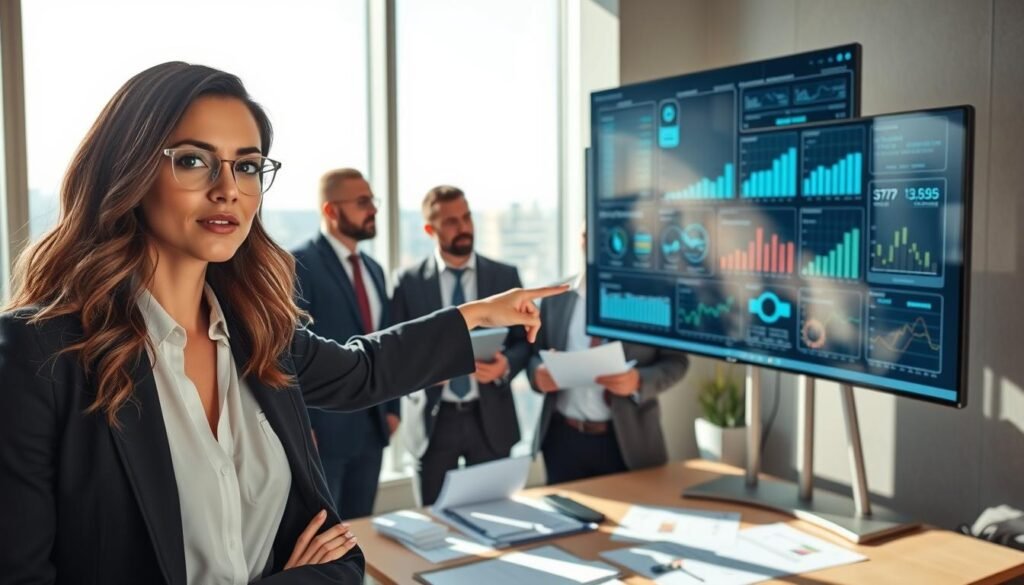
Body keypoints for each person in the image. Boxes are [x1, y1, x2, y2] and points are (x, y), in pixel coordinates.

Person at [0, 62, 563, 585]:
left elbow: (362, 371)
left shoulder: (258, 334)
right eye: (194, 160)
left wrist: (477, 314)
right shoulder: (37, 355)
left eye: (246, 165)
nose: (227, 188)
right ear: (130, 169)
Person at [391, 185, 529, 506]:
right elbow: (395, 352)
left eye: (466, 217)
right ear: (430, 229)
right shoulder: (408, 283)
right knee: (434, 528)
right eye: (452, 221)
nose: (464, 227)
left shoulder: (504, 276)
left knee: (497, 521)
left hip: (491, 419)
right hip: (434, 423)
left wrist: (505, 365)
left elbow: (525, 344)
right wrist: (423, 374)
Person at [527, 229, 689, 484]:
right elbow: (534, 355)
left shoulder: (653, 298)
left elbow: (677, 362)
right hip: (562, 440)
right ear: (581, 239)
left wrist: (638, 381)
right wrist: (538, 375)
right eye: (588, 232)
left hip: (626, 442)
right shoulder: (555, 297)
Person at [292, 168, 398, 520]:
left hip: (373, 426)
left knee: (361, 531)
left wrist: (392, 408)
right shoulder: (298, 265)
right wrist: (301, 428)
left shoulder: (373, 268)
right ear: (331, 210)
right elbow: (288, 354)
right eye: (363, 202)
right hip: (324, 434)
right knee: (326, 538)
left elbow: (385, 340)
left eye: (372, 200)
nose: (374, 210)